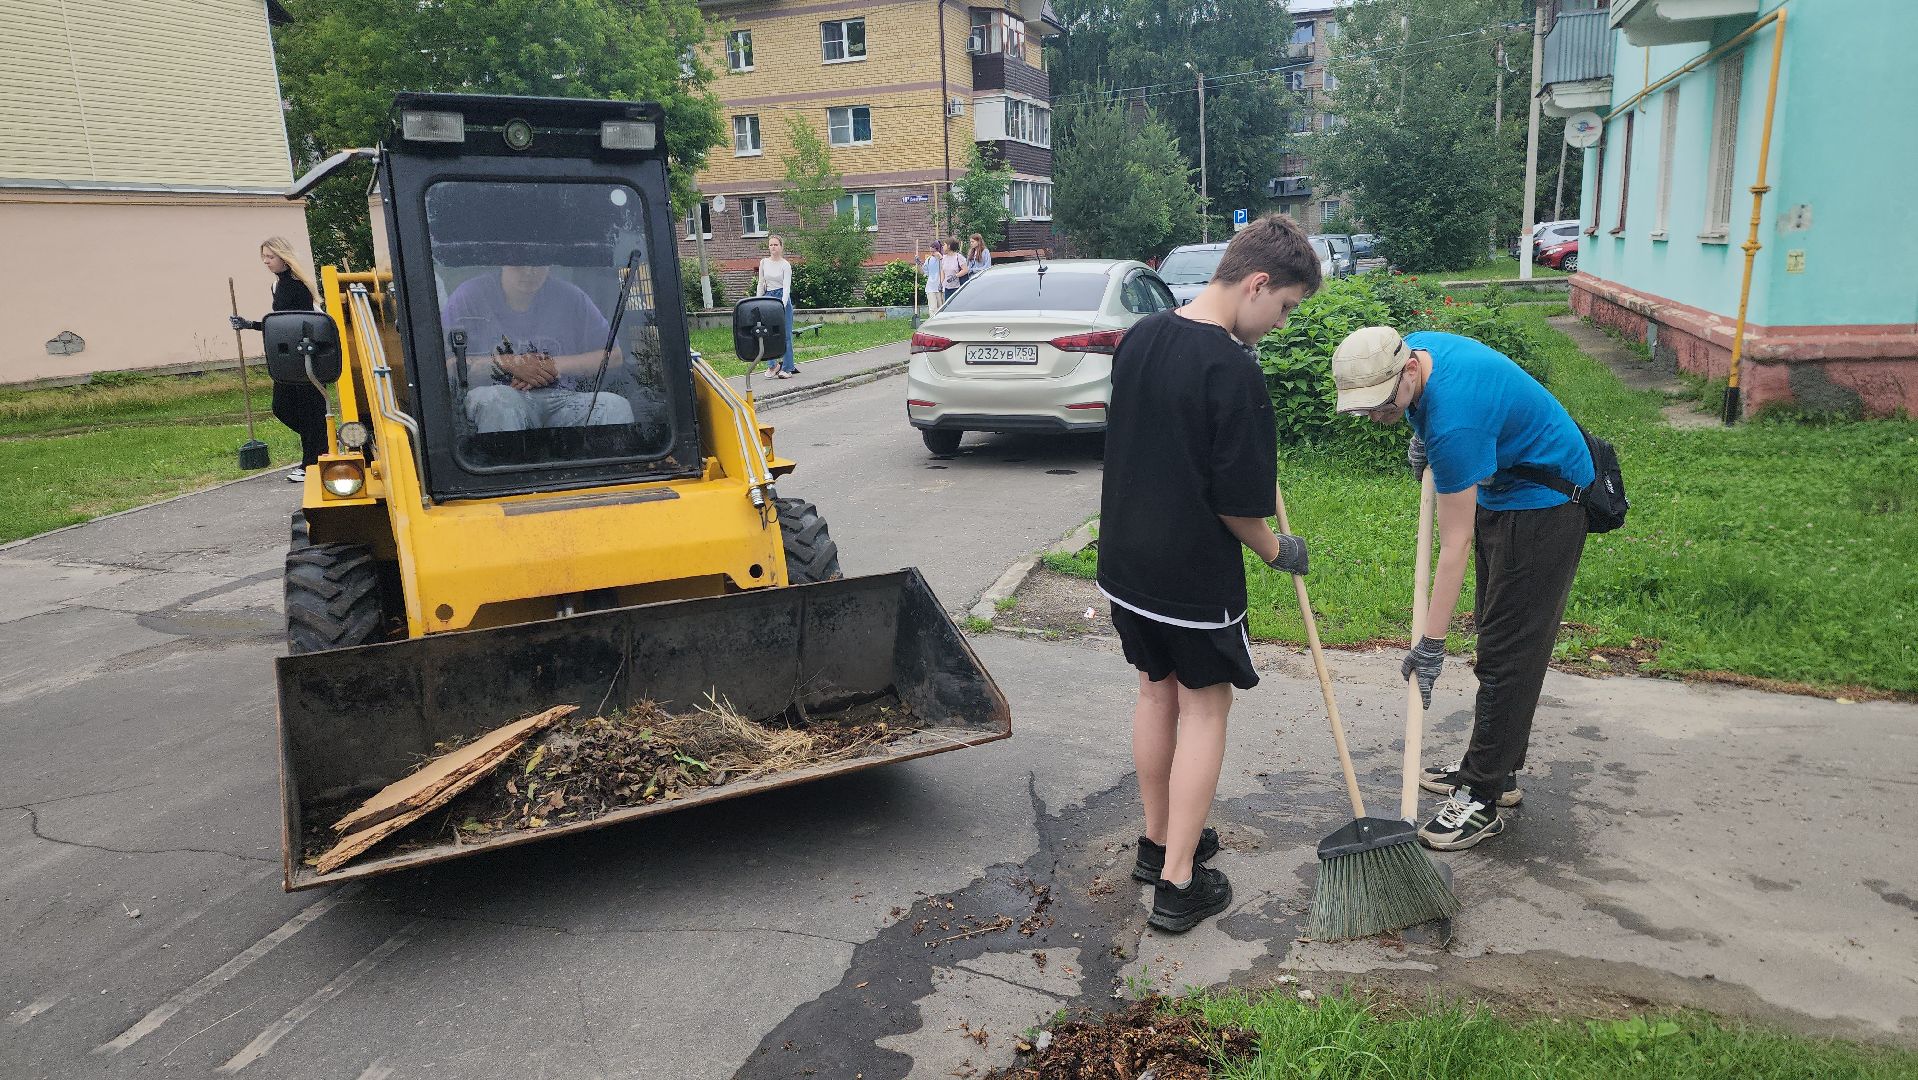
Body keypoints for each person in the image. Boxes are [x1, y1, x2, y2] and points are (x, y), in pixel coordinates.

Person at [1097, 214, 1321, 934]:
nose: (1282, 324)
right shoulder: (1232, 370)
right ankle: (1178, 883)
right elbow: (1239, 508)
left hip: (1125, 564)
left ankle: (1158, 840)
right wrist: (1278, 551)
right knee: (1204, 710)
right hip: (1191, 580)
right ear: (1256, 283)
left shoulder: (1141, 336)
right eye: (1284, 307)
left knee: (1154, 692)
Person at [1331, 324, 1594, 852]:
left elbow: (1454, 545)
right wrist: (1418, 431)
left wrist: (1431, 645)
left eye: (1383, 404)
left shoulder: (1456, 424)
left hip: (1546, 506)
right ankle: (1496, 766)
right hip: (1505, 489)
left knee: (1507, 655)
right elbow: (1437, 412)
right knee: (1497, 639)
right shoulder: (1416, 349)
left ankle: (1482, 792)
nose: (1377, 417)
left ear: (1408, 370)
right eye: (1365, 409)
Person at [440, 264, 634, 432]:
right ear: (502, 260)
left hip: (562, 398)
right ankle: (501, 464)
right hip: (498, 396)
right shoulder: (469, 297)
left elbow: (613, 356)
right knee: (497, 401)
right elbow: (446, 365)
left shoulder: (571, 298)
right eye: (519, 264)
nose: (529, 272)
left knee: (614, 406)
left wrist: (551, 366)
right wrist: (510, 364)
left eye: (537, 264)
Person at [229, 237, 327, 482]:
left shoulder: (298, 287)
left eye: (270, 257)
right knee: (283, 408)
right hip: (286, 358)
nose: (266, 261)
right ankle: (322, 444)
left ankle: (312, 461)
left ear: (284, 257)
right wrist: (249, 324)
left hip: (305, 356)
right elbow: (280, 325)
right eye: (263, 257)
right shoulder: (277, 286)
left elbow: (299, 324)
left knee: (308, 410)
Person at [757, 236, 799, 379]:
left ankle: (787, 368)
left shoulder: (785, 265)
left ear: (781, 247)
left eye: (776, 244)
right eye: (771, 245)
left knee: (785, 335)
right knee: (768, 333)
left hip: (782, 298)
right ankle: (773, 365)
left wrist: (783, 304)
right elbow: (761, 282)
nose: (773, 247)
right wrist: (758, 301)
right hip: (768, 297)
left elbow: (786, 287)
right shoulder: (764, 262)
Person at [922, 240, 945, 314]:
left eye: (933, 251)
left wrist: (940, 257)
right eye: (930, 251)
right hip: (930, 287)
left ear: (938, 250)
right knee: (932, 308)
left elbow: (945, 268)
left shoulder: (943, 259)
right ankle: (932, 320)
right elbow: (925, 271)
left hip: (940, 287)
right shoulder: (929, 259)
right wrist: (919, 263)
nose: (932, 253)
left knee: (941, 307)